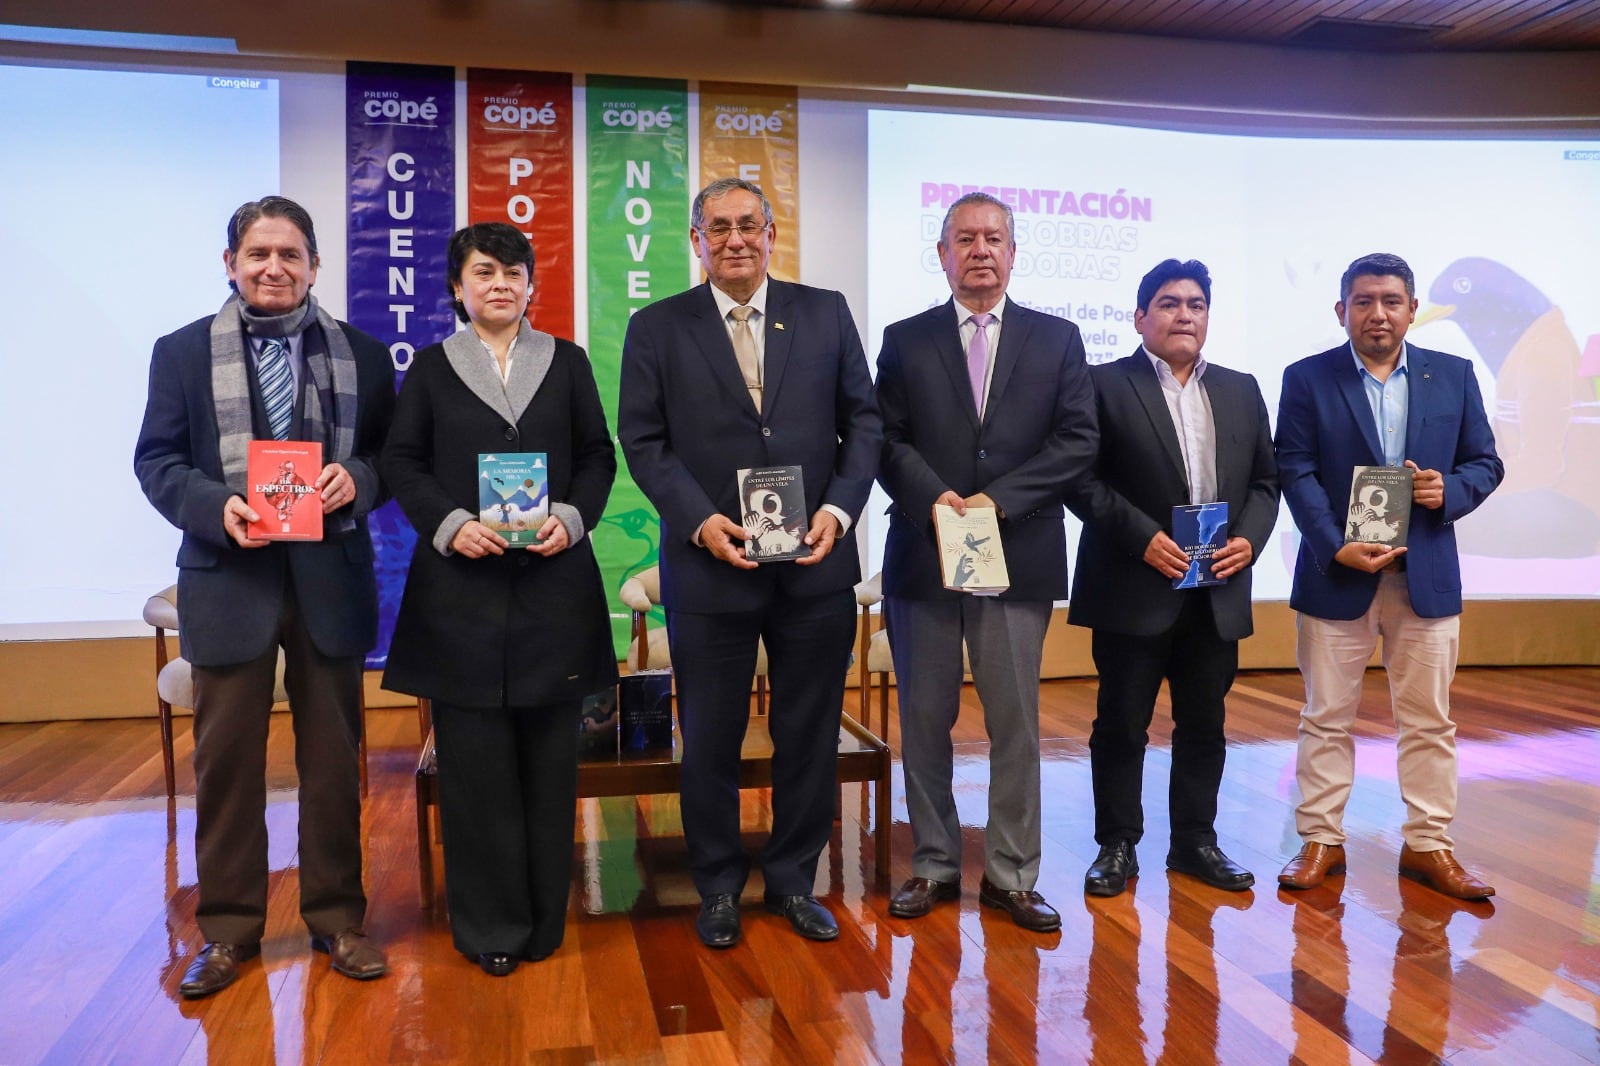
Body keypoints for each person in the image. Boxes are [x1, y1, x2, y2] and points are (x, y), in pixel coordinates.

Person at [134, 196, 394, 997]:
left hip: (329, 580)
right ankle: (228, 932)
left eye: (290, 254)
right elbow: (158, 462)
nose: (273, 268)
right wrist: (218, 508)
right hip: (228, 580)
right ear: (231, 264)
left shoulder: (364, 354)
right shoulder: (180, 354)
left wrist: (361, 478)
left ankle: (337, 919)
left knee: (331, 767)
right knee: (227, 771)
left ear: (314, 265)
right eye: (258, 255)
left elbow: (389, 456)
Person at [618, 178, 881, 948]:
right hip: (710, 568)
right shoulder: (657, 327)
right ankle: (720, 886)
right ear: (696, 241)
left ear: (772, 234)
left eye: (749, 226)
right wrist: (700, 524)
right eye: (718, 227)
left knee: (808, 732)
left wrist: (837, 510)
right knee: (711, 737)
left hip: (814, 564)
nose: (735, 239)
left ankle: (795, 881)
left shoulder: (825, 311)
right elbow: (644, 442)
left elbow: (863, 423)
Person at [380, 222, 617, 976]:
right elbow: (402, 461)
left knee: (551, 772)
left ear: (531, 286)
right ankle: (490, 928)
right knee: (476, 778)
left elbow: (596, 457)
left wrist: (573, 518)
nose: (501, 284)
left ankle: (546, 920)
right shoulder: (429, 368)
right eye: (484, 272)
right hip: (462, 599)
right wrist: (451, 526)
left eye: (514, 272)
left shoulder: (568, 363)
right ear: (458, 287)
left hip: (554, 591)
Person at [876, 191, 1098, 931]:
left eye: (993, 238)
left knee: (1016, 723)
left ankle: (1010, 874)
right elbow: (885, 439)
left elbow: (1076, 441)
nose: (980, 250)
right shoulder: (904, 340)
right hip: (924, 554)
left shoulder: (1057, 338)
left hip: (1018, 553)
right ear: (942, 254)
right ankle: (935, 862)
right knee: (925, 717)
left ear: (1012, 251)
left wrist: (993, 502)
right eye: (964, 238)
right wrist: (939, 498)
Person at [1275, 252, 1503, 899]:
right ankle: (1321, 839)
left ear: (1409, 309)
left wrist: (1448, 489)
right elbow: (1294, 469)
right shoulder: (1308, 378)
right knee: (1326, 716)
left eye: (1392, 301)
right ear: (1341, 309)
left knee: (1430, 721)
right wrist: (1332, 544)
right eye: (1365, 300)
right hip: (1337, 576)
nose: (1378, 313)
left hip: (1424, 575)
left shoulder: (1453, 376)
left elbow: (1486, 463)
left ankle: (1429, 845)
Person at [1065, 259, 1280, 898]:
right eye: (1167, 303)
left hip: (1216, 585)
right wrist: (1142, 539)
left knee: (1205, 724)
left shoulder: (1241, 388)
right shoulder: (1101, 384)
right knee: (1122, 722)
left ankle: (1194, 841)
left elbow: (1267, 482)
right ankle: (1117, 845)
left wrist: (1248, 539)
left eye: (1195, 304)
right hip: (1135, 584)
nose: (1183, 314)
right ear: (1139, 318)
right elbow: (1080, 479)